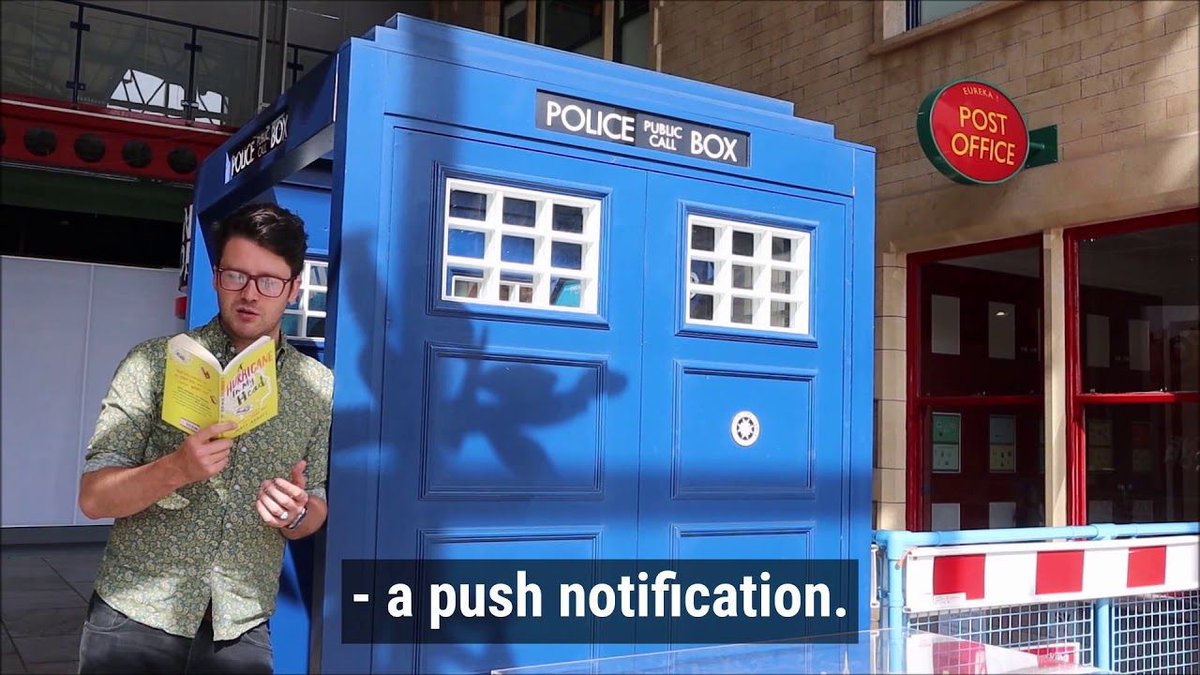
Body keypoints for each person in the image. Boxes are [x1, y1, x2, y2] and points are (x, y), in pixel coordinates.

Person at [76, 202, 334, 674]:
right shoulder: (153, 363)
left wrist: (296, 514)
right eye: (236, 276)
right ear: (216, 277)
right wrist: (176, 469)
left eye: (269, 281)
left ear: (294, 288)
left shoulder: (316, 387)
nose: (249, 294)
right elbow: (93, 498)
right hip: (136, 615)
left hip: (241, 628)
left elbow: (315, 502)